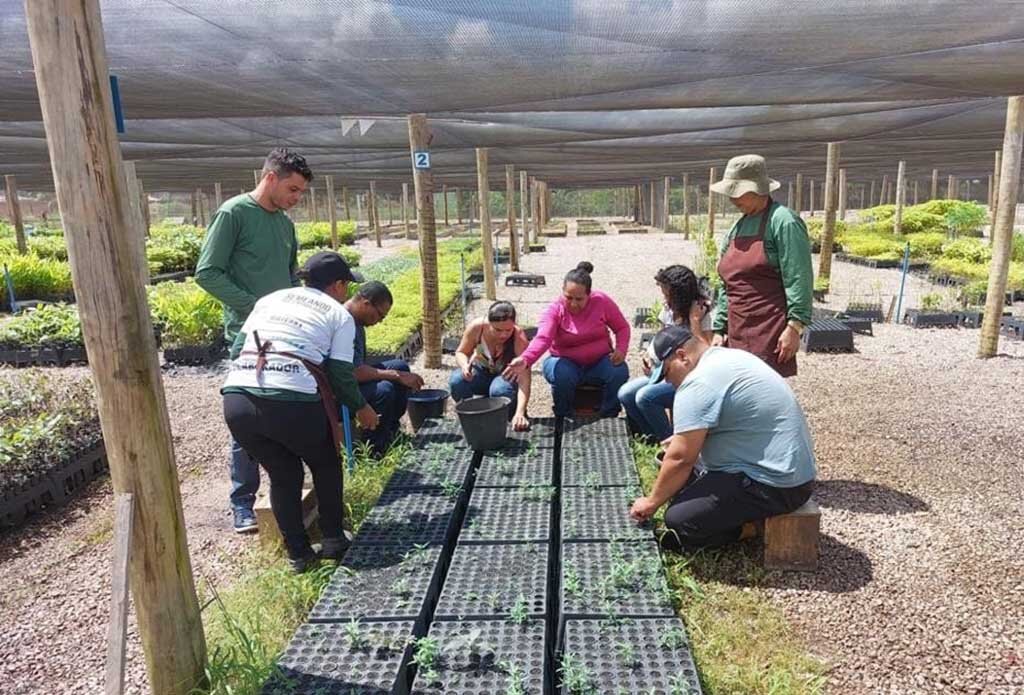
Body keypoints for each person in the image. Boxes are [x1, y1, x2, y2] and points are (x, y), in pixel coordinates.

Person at [221, 251, 379, 572]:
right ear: (337, 285)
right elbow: (340, 373)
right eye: (346, 285)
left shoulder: (271, 300)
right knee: (325, 464)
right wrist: (361, 408)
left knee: (283, 474)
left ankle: (298, 555)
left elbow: (239, 349)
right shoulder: (339, 315)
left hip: (238, 401)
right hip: (292, 400)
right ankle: (333, 538)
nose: (347, 292)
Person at [196, 147, 312, 534]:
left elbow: (289, 275)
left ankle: (290, 487)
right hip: (249, 334)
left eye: (300, 193)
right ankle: (242, 503)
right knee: (249, 416)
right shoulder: (234, 214)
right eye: (293, 190)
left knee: (289, 406)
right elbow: (207, 272)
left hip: (285, 331)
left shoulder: (284, 224)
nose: (296, 199)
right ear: (270, 178)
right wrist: (256, 306)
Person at [629, 325, 816, 552]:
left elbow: (681, 459)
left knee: (679, 521)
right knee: (673, 472)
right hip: (795, 475)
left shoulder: (697, 383)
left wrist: (650, 503)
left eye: (666, 373)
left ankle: (751, 529)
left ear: (681, 356)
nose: (667, 382)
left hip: (774, 486)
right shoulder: (727, 357)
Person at [709, 154, 813, 378]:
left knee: (763, 396)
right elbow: (728, 284)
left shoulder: (783, 221)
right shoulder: (737, 227)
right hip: (736, 329)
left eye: (737, 192)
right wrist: (720, 328)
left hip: (768, 329)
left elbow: (798, 277)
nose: (732, 199)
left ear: (759, 189)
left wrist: (794, 327)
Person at [504, 262, 630, 418]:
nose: (573, 304)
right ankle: (563, 414)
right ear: (562, 291)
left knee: (619, 370)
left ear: (589, 295)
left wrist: (621, 349)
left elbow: (622, 328)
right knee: (562, 374)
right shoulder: (554, 310)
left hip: (599, 361)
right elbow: (543, 338)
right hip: (565, 360)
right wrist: (525, 359)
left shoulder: (602, 301)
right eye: (568, 297)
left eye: (579, 299)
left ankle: (609, 413)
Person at [618, 265, 711, 443]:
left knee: (646, 397)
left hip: (689, 375)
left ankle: (671, 442)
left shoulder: (701, 312)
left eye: (668, 295)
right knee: (626, 393)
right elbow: (662, 337)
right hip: (666, 369)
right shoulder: (669, 311)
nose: (665, 299)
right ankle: (651, 439)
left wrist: (695, 321)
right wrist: (650, 355)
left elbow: (707, 354)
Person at [344, 281, 426, 455]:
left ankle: (390, 431)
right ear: (366, 304)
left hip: (352, 374)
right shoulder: (343, 323)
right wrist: (396, 376)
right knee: (384, 390)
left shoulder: (356, 322)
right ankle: (374, 449)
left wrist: (397, 373)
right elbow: (352, 372)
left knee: (400, 365)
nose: (379, 322)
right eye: (379, 316)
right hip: (338, 386)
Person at [449, 301, 532, 431]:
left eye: (508, 330)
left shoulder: (519, 337)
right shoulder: (477, 328)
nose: (503, 335)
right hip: (481, 371)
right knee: (457, 380)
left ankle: (506, 418)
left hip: (505, 374)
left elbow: (525, 378)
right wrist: (465, 365)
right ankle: (471, 417)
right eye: (498, 330)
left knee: (500, 391)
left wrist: (520, 412)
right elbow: (461, 352)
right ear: (489, 322)